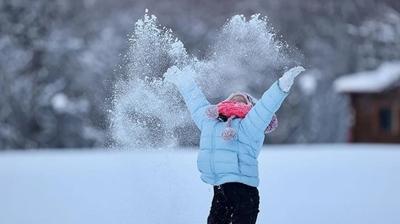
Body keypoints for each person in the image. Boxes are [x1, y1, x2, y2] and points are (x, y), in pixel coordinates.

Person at [164, 65, 305, 224]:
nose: (237, 99)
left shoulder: (250, 124)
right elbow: (195, 102)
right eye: (233, 98)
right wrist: (183, 81)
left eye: (243, 99)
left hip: (244, 192)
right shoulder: (210, 121)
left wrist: (281, 86)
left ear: (251, 107)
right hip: (220, 189)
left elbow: (266, 106)